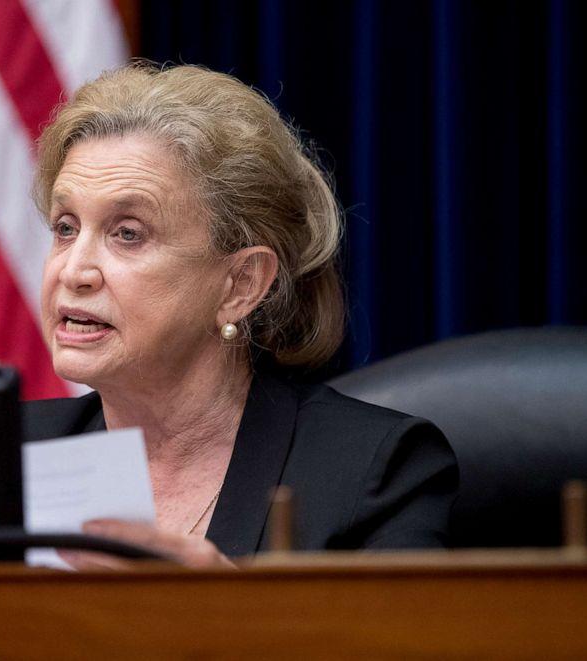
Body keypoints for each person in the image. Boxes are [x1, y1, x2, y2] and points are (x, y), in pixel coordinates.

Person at [23, 62, 457, 568]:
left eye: (128, 233)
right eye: (66, 227)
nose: (74, 271)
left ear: (241, 285)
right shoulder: (8, 454)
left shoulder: (375, 473)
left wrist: (224, 613)